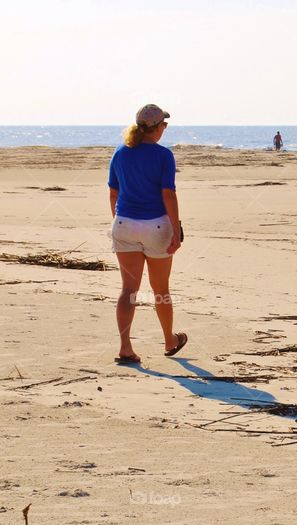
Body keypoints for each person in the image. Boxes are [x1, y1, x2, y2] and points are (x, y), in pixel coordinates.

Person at [108, 104, 187, 364]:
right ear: (156, 128)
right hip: (155, 226)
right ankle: (169, 340)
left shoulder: (120, 152)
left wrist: (119, 224)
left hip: (124, 224)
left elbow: (113, 193)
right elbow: (168, 194)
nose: (165, 128)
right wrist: (176, 230)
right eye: (164, 124)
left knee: (128, 290)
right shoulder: (163, 155)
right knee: (160, 288)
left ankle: (125, 347)